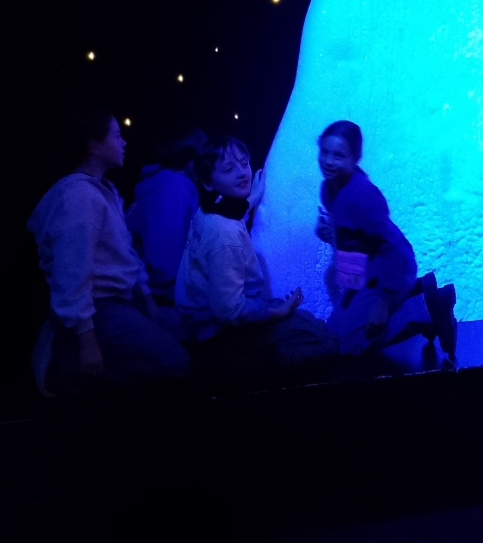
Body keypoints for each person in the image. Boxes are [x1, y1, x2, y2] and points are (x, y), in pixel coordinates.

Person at [27, 105, 189, 394]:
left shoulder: (106, 191)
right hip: (98, 307)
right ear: (93, 144)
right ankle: (65, 360)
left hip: (120, 299)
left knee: (181, 329)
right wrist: (86, 340)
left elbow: (126, 253)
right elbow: (70, 272)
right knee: (175, 362)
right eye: (116, 135)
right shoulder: (77, 196)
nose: (123, 142)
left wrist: (148, 302)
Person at [175, 136, 338, 373]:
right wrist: (276, 313)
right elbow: (228, 310)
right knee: (323, 340)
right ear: (208, 182)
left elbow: (233, 212)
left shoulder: (209, 210)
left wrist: (253, 197)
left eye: (244, 163)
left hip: (198, 321)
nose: (242, 173)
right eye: (229, 169)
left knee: (307, 323)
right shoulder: (224, 234)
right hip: (218, 334)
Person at [315, 121, 458, 359]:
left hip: (392, 269)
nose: (328, 161)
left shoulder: (362, 194)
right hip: (366, 272)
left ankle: (429, 307)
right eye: (325, 152)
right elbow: (355, 237)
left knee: (349, 345)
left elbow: (392, 251)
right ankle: (419, 292)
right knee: (333, 335)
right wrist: (332, 236)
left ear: (354, 158)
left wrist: (381, 305)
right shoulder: (328, 189)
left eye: (338, 155)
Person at [125, 129, 207, 305]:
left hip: (146, 288)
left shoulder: (166, 183)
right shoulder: (175, 189)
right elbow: (163, 258)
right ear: (190, 159)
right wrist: (178, 294)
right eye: (204, 157)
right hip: (153, 296)